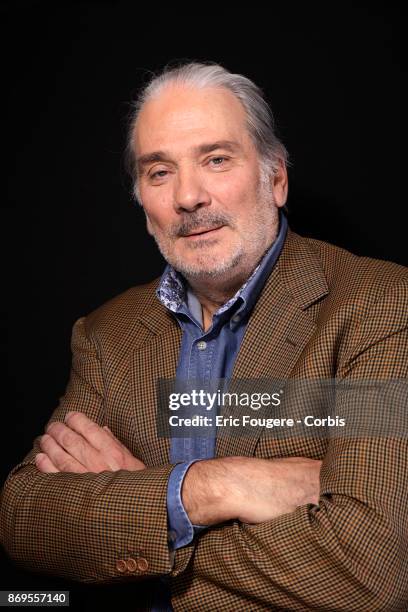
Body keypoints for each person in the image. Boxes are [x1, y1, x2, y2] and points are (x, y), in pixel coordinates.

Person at [1, 61, 407, 612]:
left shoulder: (377, 306)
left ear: (276, 178)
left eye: (216, 160)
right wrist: (213, 488)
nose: (189, 197)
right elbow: (26, 521)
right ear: (143, 205)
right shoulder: (107, 335)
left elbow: (369, 571)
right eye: (159, 172)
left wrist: (142, 511)